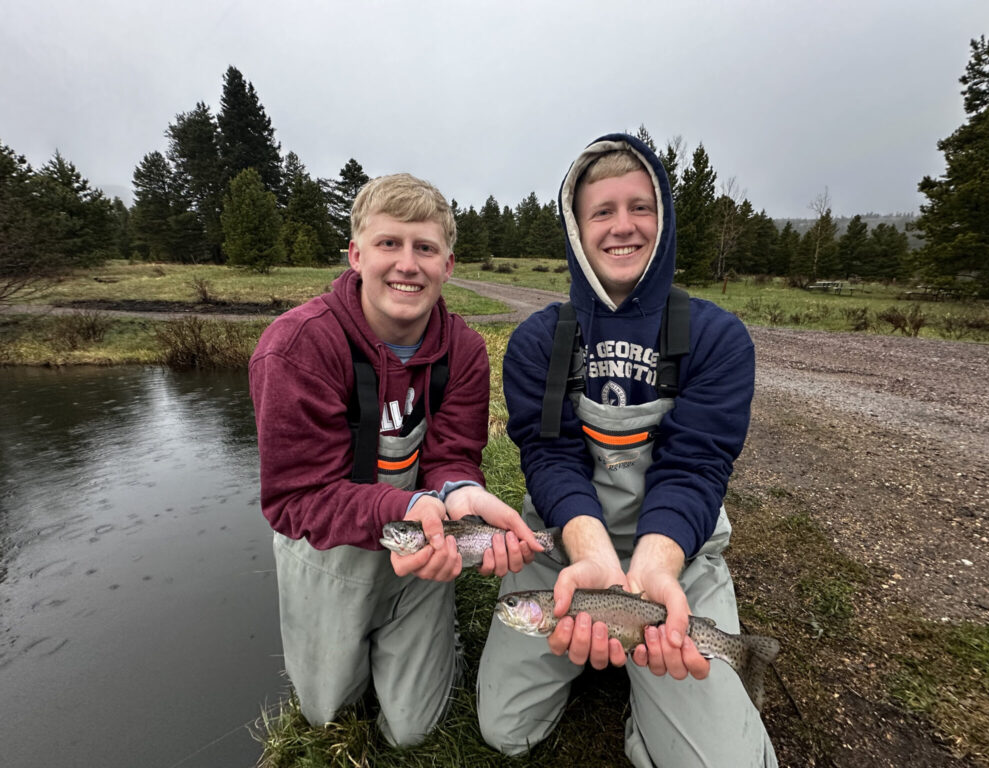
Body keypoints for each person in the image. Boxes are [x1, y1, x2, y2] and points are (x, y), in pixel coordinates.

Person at [476, 134, 777, 767]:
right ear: (576, 229)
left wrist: (656, 569)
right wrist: (589, 557)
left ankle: (650, 697)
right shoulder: (538, 341)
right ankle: (621, 656)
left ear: (663, 220)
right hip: (564, 550)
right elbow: (549, 456)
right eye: (602, 211)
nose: (623, 226)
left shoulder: (717, 337)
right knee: (507, 733)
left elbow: (696, 467)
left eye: (640, 207)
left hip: (674, 558)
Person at [250, 172, 541, 745]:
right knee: (328, 712)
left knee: (412, 731)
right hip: (328, 545)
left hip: (423, 534)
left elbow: (452, 454)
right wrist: (412, 506)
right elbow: (295, 499)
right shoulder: (297, 347)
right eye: (389, 244)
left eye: (425, 248)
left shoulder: (463, 350)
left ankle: (433, 624)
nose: (407, 264)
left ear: (447, 265)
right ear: (356, 254)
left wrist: (460, 492)